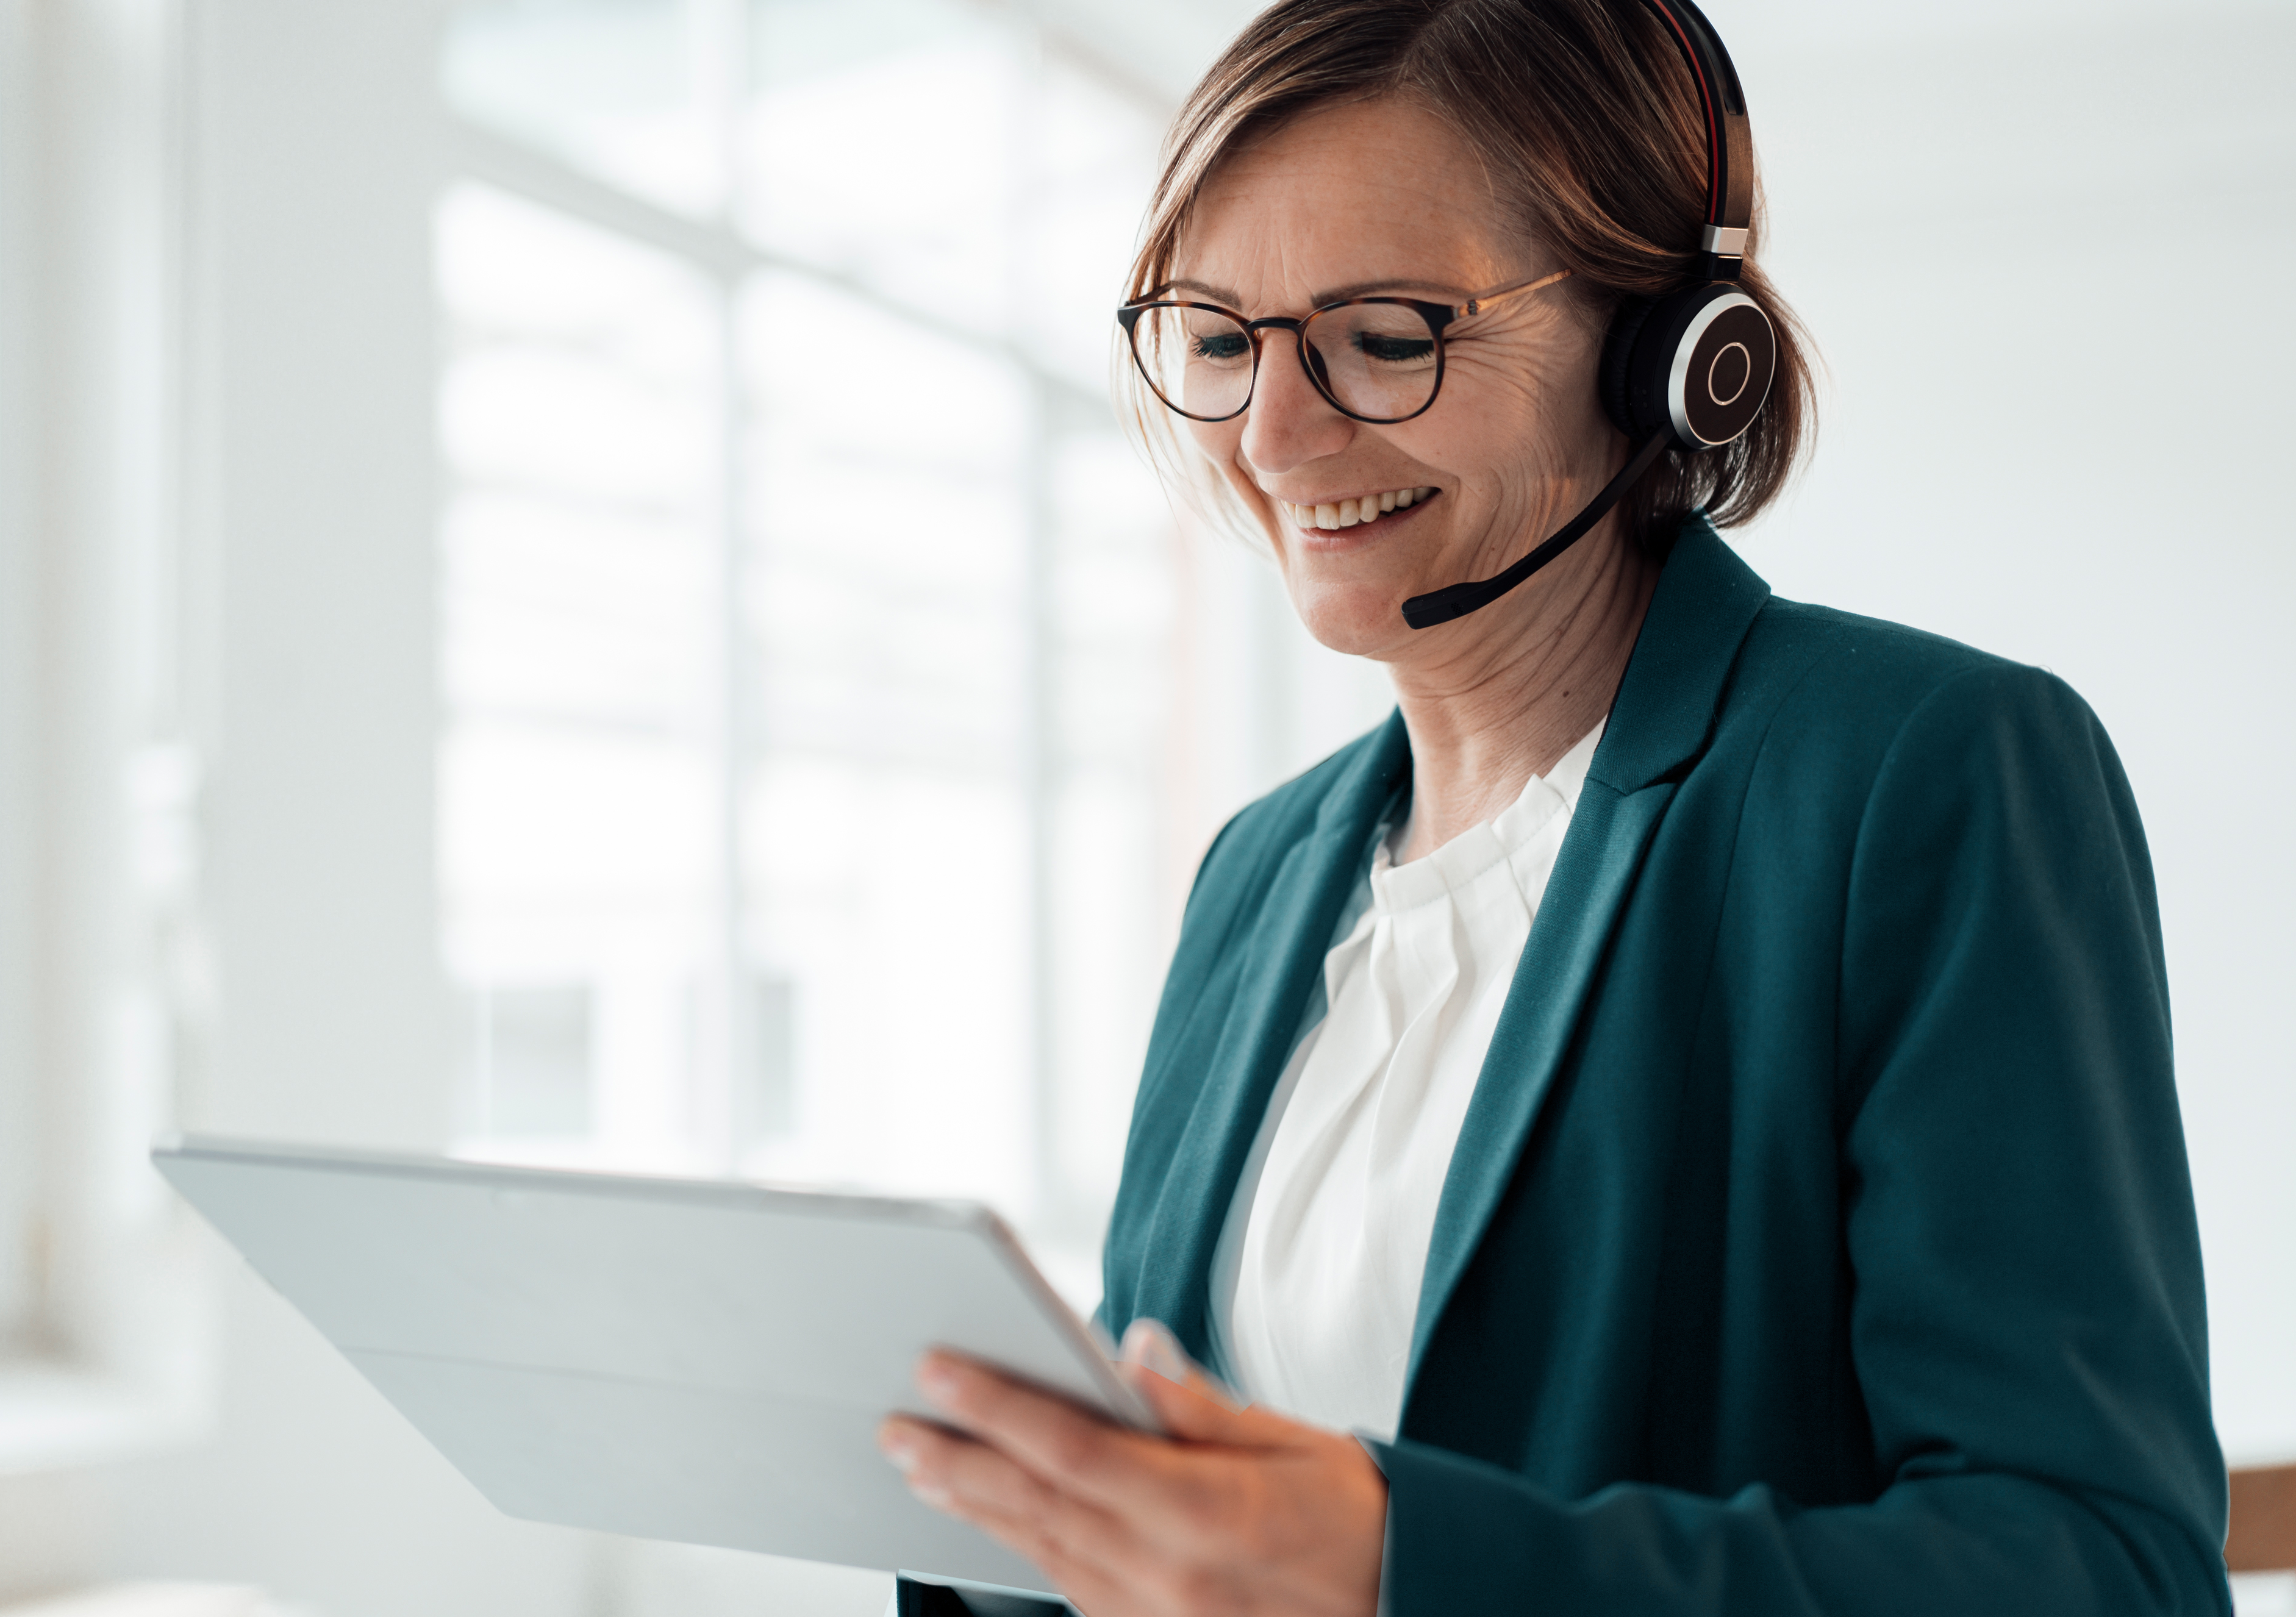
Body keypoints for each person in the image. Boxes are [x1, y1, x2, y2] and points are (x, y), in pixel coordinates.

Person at [876, 2, 2230, 1613]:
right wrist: (989, 1503)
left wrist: (1395, 1563)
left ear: (1667, 349)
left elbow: (2101, 1565)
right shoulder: (1257, 874)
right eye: (1223, 340)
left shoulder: (1925, 773)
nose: (1275, 435)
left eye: (1385, 335)